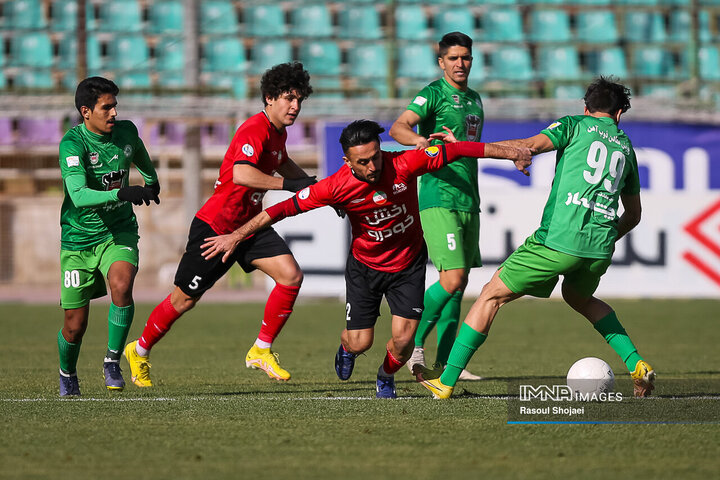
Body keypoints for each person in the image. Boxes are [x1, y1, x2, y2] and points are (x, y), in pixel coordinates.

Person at [201, 120, 533, 398]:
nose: (372, 167)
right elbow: (277, 210)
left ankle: (386, 375)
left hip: (408, 265)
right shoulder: (333, 187)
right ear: (346, 161)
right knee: (361, 341)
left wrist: (512, 153)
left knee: (403, 344)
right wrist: (236, 235)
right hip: (365, 268)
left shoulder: (404, 163)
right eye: (362, 162)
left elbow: (459, 149)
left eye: (375, 157)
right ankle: (347, 350)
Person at [416, 76, 656, 399]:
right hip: (599, 247)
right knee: (579, 297)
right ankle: (636, 363)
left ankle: (445, 382)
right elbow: (634, 215)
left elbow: (527, 147)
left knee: (490, 295)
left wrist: (466, 150)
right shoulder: (627, 149)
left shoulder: (574, 125)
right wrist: (609, 236)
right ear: (619, 114)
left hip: (556, 240)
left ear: (586, 108)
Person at [123, 62, 316, 386]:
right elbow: (241, 173)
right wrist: (287, 186)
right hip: (215, 228)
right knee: (184, 299)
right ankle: (139, 350)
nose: (295, 106)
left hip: (249, 225)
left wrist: (313, 185)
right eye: (288, 98)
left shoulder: (277, 134)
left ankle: (261, 349)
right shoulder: (254, 129)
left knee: (290, 275)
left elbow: (282, 161)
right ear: (269, 97)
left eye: (299, 100)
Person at [389, 32, 484, 380]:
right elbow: (398, 126)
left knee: (459, 283)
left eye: (466, 57)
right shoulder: (432, 94)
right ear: (441, 62)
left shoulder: (474, 99)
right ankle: (411, 344)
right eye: (454, 58)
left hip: (468, 198)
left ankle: (446, 365)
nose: (461, 63)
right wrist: (418, 141)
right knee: (452, 277)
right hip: (438, 196)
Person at [58, 76, 161, 396]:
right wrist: (122, 192)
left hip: (118, 231)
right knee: (74, 325)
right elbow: (78, 195)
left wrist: (151, 180)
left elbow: (138, 150)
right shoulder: (73, 145)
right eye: (107, 107)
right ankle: (67, 373)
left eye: (115, 105)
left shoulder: (126, 131)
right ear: (86, 111)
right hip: (78, 239)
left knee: (122, 284)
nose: (114, 112)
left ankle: (112, 360)